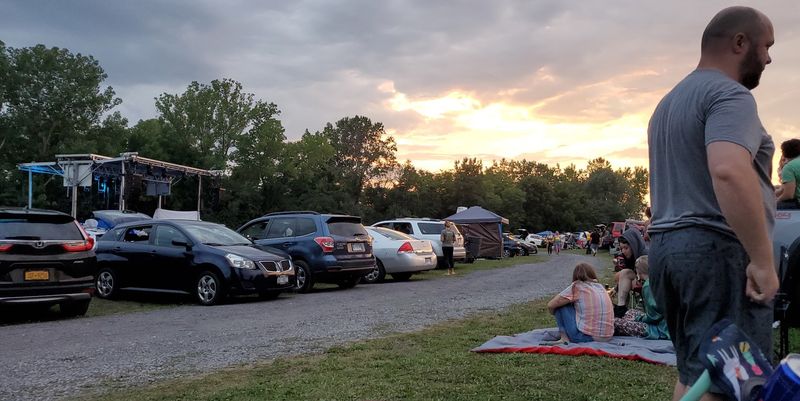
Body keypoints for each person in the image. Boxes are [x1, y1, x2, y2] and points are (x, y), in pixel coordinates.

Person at [647, 7, 779, 400]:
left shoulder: (668, 103)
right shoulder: (729, 95)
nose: (770, 58)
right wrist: (761, 260)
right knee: (731, 381)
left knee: (695, 374)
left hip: (667, 251)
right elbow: (728, 170)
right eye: (767, 46)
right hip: (715, 251)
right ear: (741, 42)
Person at [544, 263, 614, 345]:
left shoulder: (577, 286)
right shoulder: (600, 287)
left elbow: (551, 305)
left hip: (586, 337)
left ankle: (564, 338)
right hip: (608, 336)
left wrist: (559, 315)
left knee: (560, 305)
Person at [613, 256, 670, 340]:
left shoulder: (648, 285)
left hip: (661, 329)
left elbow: (654, 316)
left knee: (615, 322)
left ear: (638, 272)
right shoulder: (662, 280)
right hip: (667, 324)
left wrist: (639, 319)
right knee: (630, 313)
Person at [612, 228, 647, 318]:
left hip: (648, 283)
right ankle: (621, 307)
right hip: (637, 280)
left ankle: (623, 310)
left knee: (624, 274)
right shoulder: (629, 257)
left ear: (633, 245)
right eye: (621, 248)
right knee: (624, 272)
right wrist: (615, 289)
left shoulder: (644, 255)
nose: (623, 251)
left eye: (626, 248)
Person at [775, 138, 800, 209]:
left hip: (797, 204)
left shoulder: (789, 167)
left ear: (784, 153)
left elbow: (788, 195)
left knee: (766, 208)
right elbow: (783, 189)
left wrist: (776, 201)